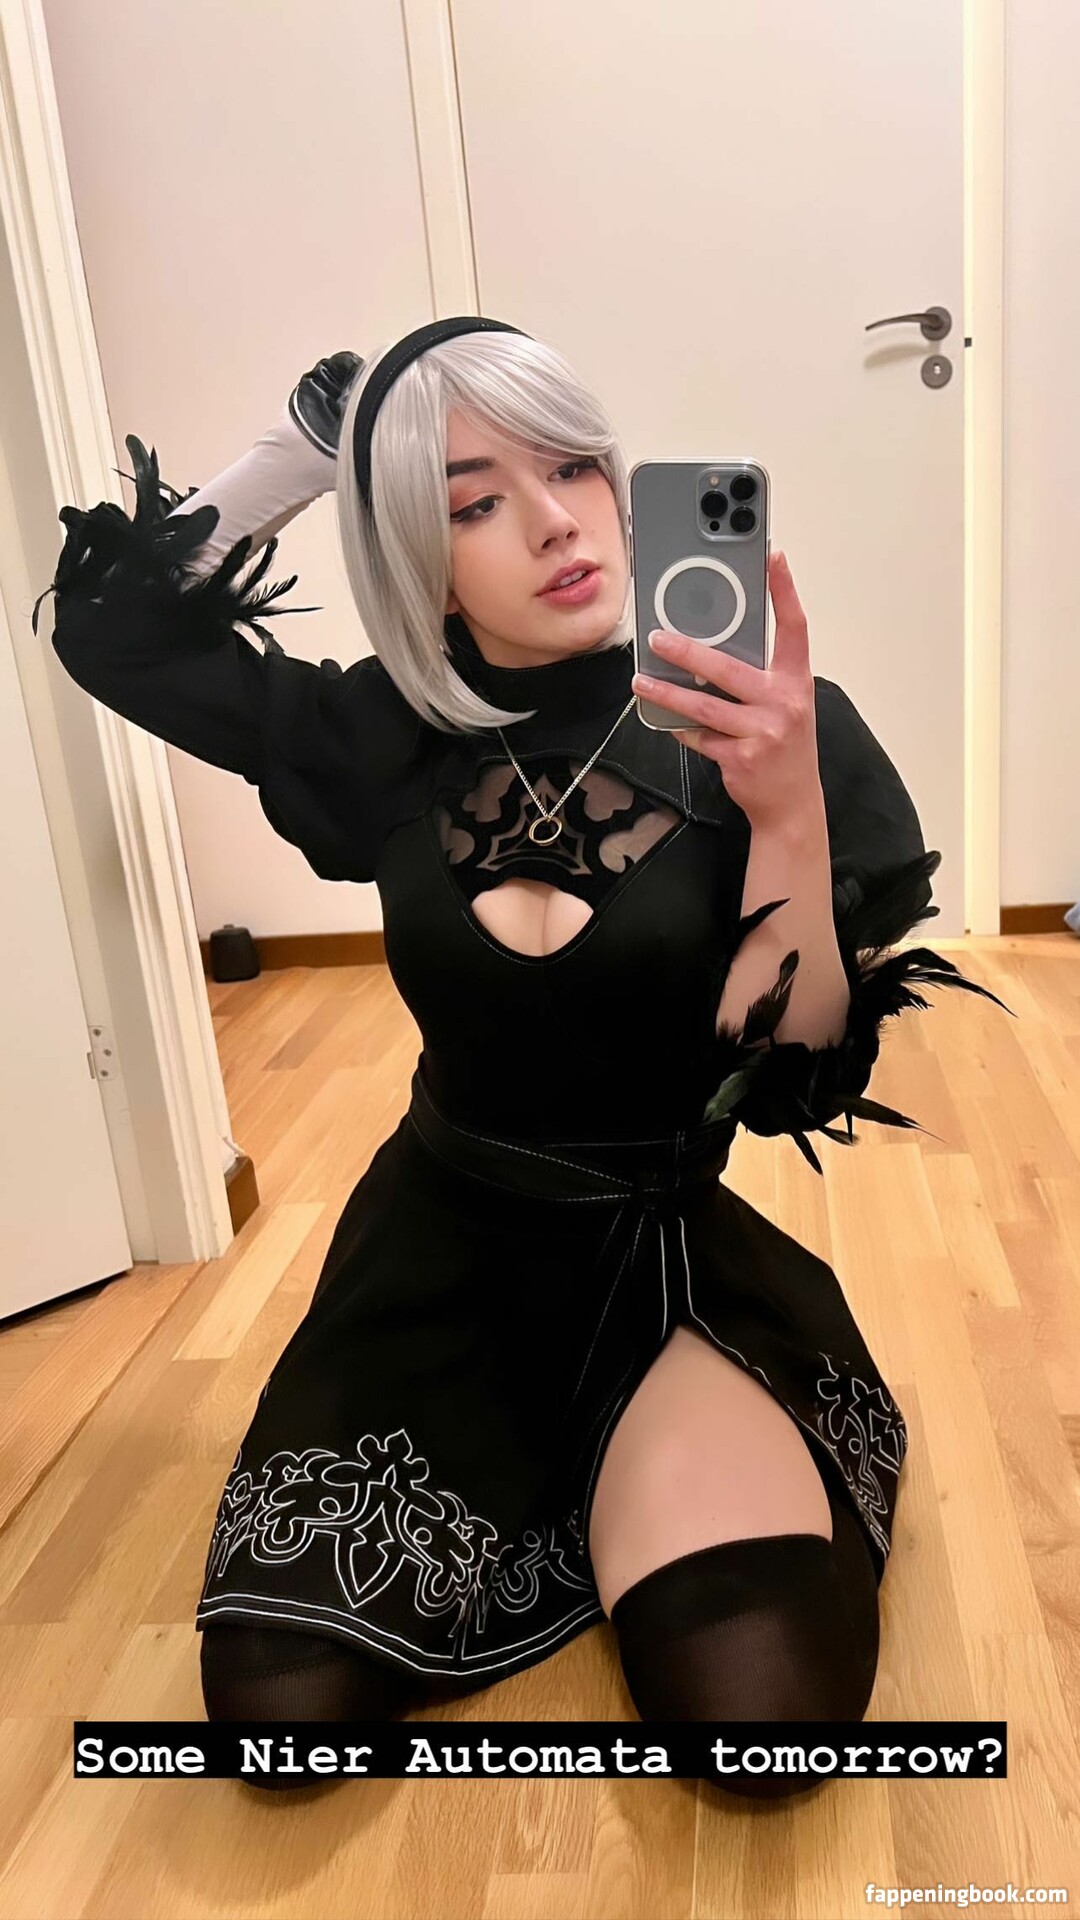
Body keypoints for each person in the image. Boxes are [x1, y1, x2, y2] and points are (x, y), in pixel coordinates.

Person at [33, 318, 1013, 1798]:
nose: (556, 521)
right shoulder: (381, 735)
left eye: (575, 469)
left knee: (757, 1719)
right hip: (436, 1270)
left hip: (662, 1272)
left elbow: (796, 1080)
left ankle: (649, 1481)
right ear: (421, 562)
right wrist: (307, 450)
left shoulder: (766, 725)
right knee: (280, 1725)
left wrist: (789, 814)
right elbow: (113, 632)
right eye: (475, 500)